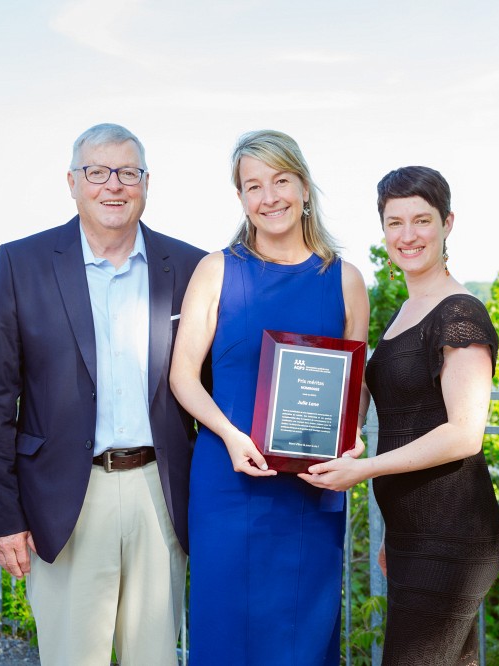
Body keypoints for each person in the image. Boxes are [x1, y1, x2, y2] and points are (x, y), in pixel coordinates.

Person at [0, 123, 206, 666]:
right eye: (97, 172)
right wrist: (2, 515)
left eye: (127, 172)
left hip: (161, 495)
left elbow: (219, 383)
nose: (113, 185)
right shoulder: (21, 264)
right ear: (72, 183)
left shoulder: (190, 267)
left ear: (146, 183)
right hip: (64, 501)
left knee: (156, 659)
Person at [169, 129, 369, 665]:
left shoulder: (346, 280)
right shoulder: (216, 270)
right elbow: (183, 376)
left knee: (301, 638)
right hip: (229, 481)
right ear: (240, 199)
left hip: (310, 487)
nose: (269, 196)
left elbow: (357, 386)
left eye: (281, 180)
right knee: (226, 633)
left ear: (304, 187)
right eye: (253, 185)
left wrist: (349, 438)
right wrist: (232, 438)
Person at [301, 166, 499, 666]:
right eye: (395, 222)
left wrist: (363, 469)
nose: (408, 235)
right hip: (414, 534)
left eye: (422, 220)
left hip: (452, 537)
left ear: (447, 223)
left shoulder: (460, 313)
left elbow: (463, 435)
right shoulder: (407, 310)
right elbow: (399, 410)